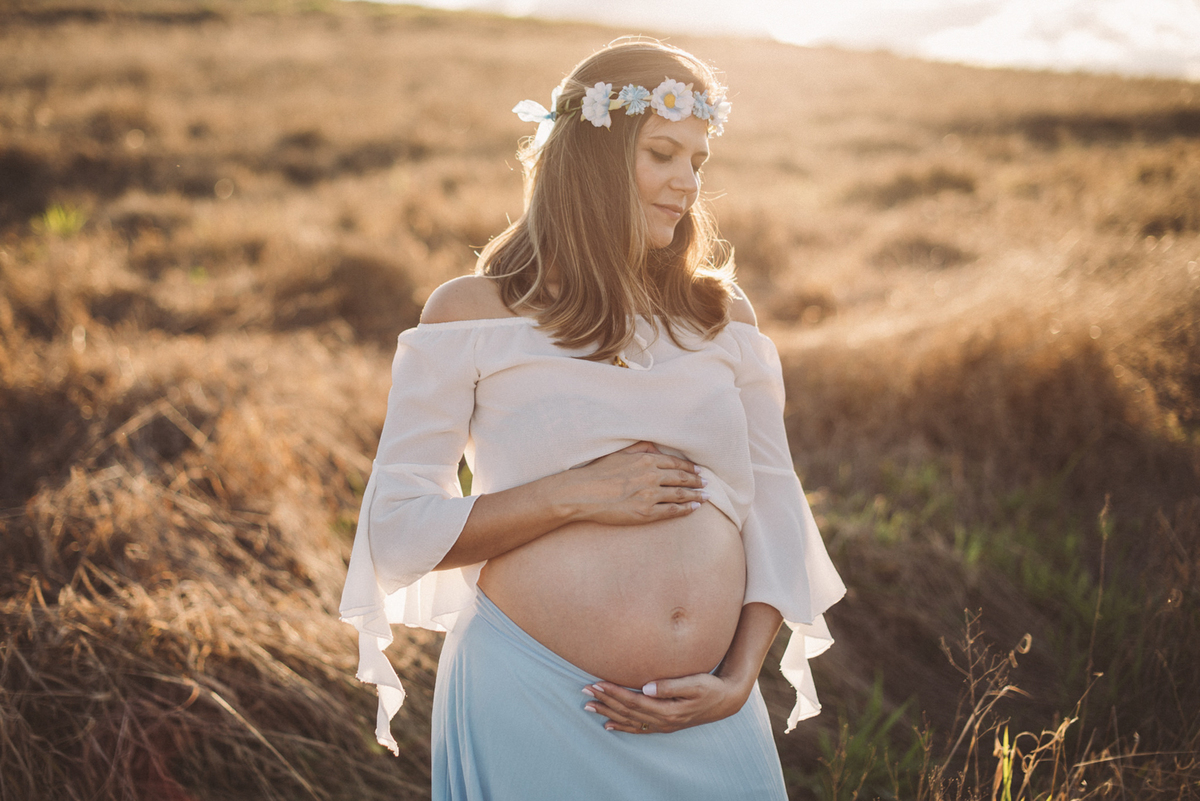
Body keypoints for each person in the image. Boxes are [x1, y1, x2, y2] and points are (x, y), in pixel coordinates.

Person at [339, 39, 846, 800]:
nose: (687, 184)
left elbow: (775, 506)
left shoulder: (722, 318)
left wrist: (740, 677)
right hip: (535, 697)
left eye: (698, 162)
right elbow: (397, 528)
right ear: (594, 159)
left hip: (705, 706)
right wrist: (575, 493)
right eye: (664, 154)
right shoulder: (469, 314)